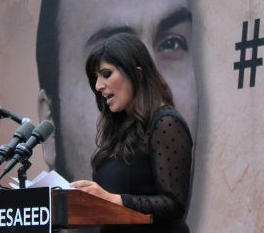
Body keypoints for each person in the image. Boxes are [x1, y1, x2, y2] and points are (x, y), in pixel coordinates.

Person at [36, 0, 198, 184]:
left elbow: (171, 206)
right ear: (51, 124)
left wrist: (114, 200)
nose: (148, 79)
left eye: (171, 43)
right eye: (113, 61)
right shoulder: (110, 141)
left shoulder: (169, 124)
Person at [69, 33, 193, 233]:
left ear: (137, 74)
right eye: (96, 77)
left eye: (106, 74)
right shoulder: (118, 130)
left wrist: (112, 199)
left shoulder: (165, 123)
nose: (98, 85)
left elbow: (174, 204)